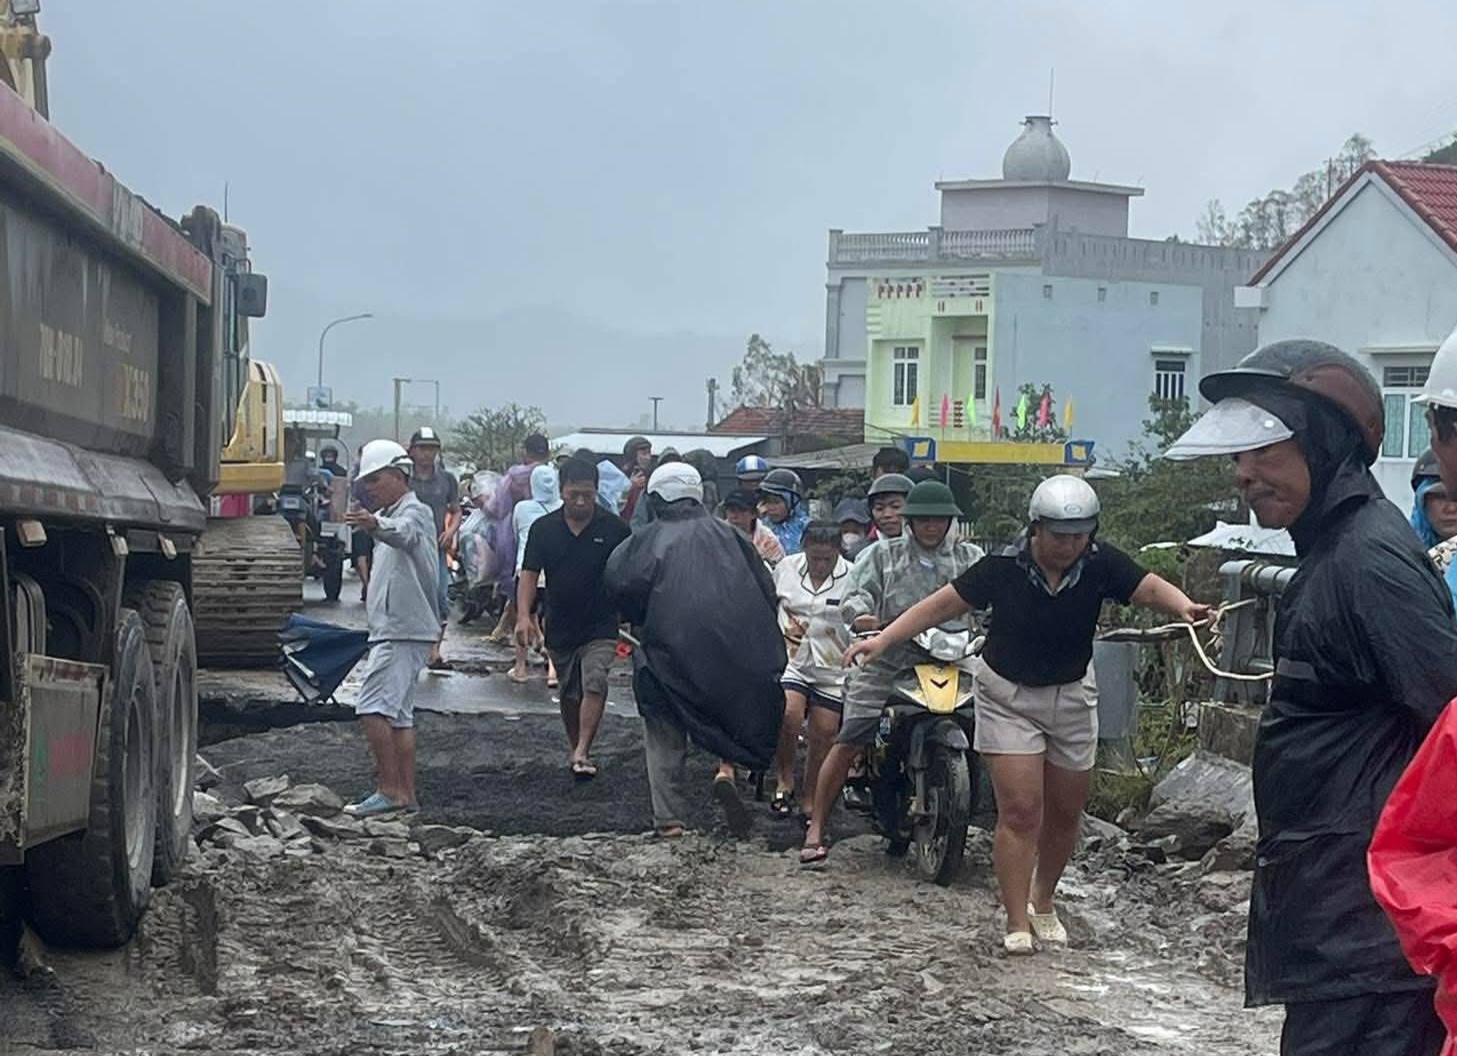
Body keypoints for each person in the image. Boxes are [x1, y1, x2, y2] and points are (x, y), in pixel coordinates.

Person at [1163, 338, 1457, 1056]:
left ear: (1327, 440)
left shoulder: (1365, 562)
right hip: (1340, 924)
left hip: (1368, 939)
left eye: (1264, 448)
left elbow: (1448, 718)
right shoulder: (1334, 551)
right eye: (1237, 456)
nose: (1243, 473)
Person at [846, 475, 1208, 953]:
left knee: (1065, 811)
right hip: (1008, 695)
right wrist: (883, 638)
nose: (1069, 546)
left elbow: (1147, 586)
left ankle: (1044, 900)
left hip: (1073, 695)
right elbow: (939, 606)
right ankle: (1016, 920)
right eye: (1060, 536)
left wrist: (1185, 608)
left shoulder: (1100, 563)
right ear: (1036, 529)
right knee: (1021, 810)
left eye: (1080, 536)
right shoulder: (1001, 566)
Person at [801, 481, 984, 865]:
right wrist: (864, 618)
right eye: (923, 519)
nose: (931, 526)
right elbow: (855, 596)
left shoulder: (969, 557)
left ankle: (1001, 818)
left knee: (995, 729)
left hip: (953, 657)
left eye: (939, 519)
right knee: (851, 735)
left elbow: (990, 600)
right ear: (911, 521)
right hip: (888, 658)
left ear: (950, 521)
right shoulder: (881, 556)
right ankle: (816, 825)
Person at [605, 463, 786, 838]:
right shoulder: (735, 538)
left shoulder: (643, 541)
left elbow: (619, 586)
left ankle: (669, 820)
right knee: (730, 719)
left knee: (663, 731)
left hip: (664, 656)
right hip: (732, 656)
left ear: (656, 499)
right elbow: (766, 591)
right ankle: (727, 772)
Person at [341, 440, 440, 817]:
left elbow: (404, 533)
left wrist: (374, 523)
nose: (369, 488)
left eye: (376, 479)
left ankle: (389, 790)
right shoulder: (397, 512)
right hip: (400, 628)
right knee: (398, 716)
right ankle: (406, 795)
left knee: (371, 707)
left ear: (399, 477)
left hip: (401, 630)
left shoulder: (413, 513)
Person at [518, 458, 631, 779]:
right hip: (560, 623)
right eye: (573, 494)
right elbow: (528, 574)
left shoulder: (615, 529)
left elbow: (631, 574)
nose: (580, 501)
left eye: (587, 494)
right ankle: (576, 747)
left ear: (596, 491)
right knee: (570, 693)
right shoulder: (544, 529)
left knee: (594, 681)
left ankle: (583, 749)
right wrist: (523, 616)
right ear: (561, 491)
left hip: (601, 624)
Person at [768, 521, 852, 819]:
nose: (819, 565)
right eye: (813, 557)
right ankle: (784, 779)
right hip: (793, 659)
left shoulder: (852, 576)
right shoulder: (786, 569)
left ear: (838, 553)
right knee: (789, 715)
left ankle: (811, 794)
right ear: (804, 549)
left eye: (826, 559)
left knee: (825, 731)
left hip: (832, 665)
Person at [486, 434, 552, 642]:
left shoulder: (512, 478)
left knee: (520, 588)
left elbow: (496, 507)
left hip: (515, 538)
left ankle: (531, 640)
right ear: (548, 453)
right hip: (550, 540)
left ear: (524, 452)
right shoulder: (551, 477)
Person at [405, 427, 460, 671]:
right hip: (407, 546)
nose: (427, 454)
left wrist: (450, 531)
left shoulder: (446, 479)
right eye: (423, 448)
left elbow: (456, 509)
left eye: (432, 449)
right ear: (412, 450)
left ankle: (435, 651)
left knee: (439, 596)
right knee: (407, 598)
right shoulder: (404, 478)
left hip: (436, 547)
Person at [510, 464, 562, 685]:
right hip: (555, 572)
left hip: (527, 569)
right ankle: (553, 670)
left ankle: (521, 667)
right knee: (552, 620)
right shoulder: (562, 506)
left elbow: (515, 533)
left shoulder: (522, 508)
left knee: (522, 616)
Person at [721, 489, 785, 566]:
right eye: (731, 510)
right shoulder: (717, 536)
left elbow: (778, 572)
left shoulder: (768, 540)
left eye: (741, 511)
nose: (734, 516)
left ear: (754, 514)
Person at [758, 468, 810, 556]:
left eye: (776, 502)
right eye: (767, 502)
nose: (770, 508)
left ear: (793, 501)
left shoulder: (809, 529)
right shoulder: (759, 527)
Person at [349, 444, 376, 603]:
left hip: (362, 519)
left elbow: (353, 498)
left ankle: (367, 584)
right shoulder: (378, 473)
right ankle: (369, 585)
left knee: (360, 554)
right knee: (371, 554)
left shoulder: (356, 476)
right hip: (375, 519)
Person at [862, 472, 913, 548]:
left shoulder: (929, 548)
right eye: (879, 508)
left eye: (895, 507)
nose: (887, 514)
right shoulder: (863, 554)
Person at [620, 436, 653, 522]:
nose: (648, 458)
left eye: (649, 453)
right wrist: (628, 486)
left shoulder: (651, 478)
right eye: (644, 454)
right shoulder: (619, 478)